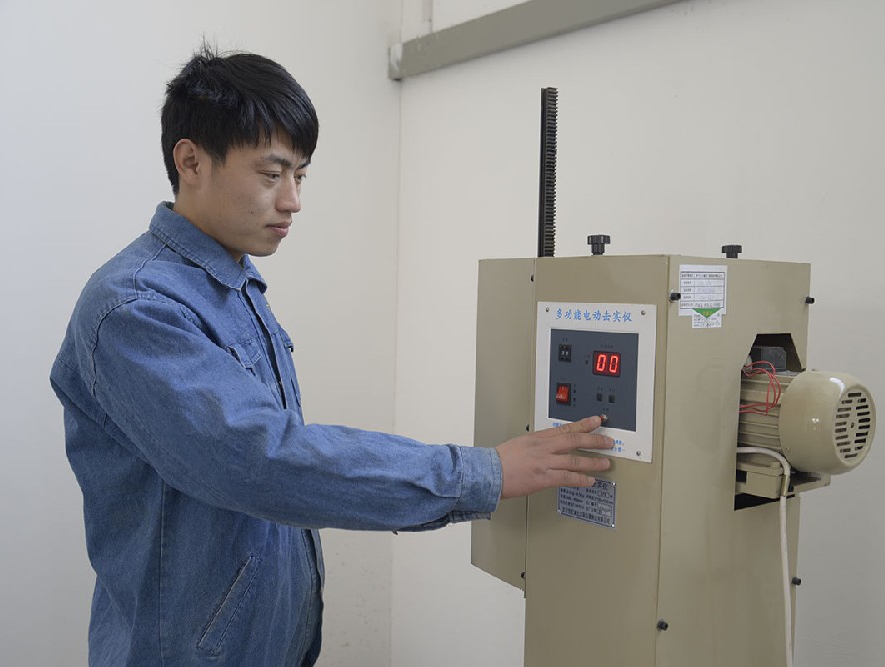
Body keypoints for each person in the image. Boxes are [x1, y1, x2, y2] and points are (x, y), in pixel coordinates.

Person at [50, 44, 612, 666]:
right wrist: (482, 474)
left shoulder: (231, 281)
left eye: (301, 176)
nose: (293, 200)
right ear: (191, 161)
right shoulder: (135, 308)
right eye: (272, 175)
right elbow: (262, 461)